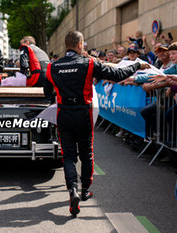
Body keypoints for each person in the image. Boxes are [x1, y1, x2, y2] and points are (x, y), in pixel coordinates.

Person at [44, 31, 149, 217]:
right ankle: (84, 191)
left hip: (64, 114)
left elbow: (47, 92)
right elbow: (118, 74)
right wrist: (137, 64)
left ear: (66, 45)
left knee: (68, 156)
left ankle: (72, 191)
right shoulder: (89, 63)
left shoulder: (53, 66)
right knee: (87, 153)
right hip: (83, 114)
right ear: (80, 45)